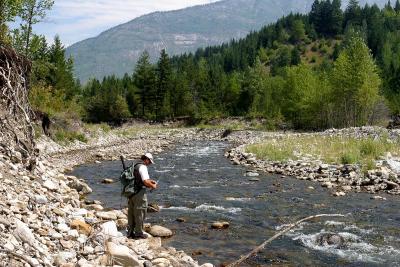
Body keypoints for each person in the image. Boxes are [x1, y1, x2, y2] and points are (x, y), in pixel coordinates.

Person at [126, 152, 157, 239]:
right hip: (139, 193)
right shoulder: (143, 167)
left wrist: (150, 181)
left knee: (131, 212)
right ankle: (138, 233)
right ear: (146, 159)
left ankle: (130, 232)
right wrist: (153, 185)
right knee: (140, 212)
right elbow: (145, 181)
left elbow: (138, 178)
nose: (150, 164)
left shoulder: (135, 164)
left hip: (131, 192)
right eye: (150, 162)